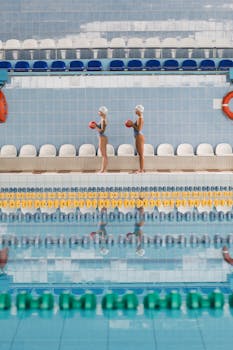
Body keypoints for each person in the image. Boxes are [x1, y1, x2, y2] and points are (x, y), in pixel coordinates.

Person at [128, 105, 145, 173]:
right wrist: (132, 125)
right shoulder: (139, 118)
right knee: (140, 154)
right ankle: (140, 169)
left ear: (139, 111)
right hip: (138, 136)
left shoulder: (140, 118)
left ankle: (141, 170)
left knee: (141, 154)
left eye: (135, 110)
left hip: (139, 136)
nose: (135, 111)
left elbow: (139, 129)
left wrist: (132, 124)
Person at [93, 106, 108, 173]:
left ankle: (102, 170)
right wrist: (96, 124)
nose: (98, 112)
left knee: (104, 155)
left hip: (102, 138)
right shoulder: (102, 119)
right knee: (104, 155)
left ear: (102, 112)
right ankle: (103, 169)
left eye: (99, 111)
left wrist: (95, 126)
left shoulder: (103, 120)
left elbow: (102, 131)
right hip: (102, 137)